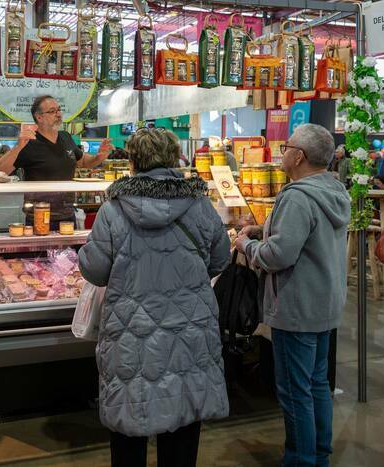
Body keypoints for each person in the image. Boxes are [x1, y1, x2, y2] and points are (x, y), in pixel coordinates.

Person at [78, 128, 231, 467]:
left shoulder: (113, 209)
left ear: (132, 161)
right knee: (183, 418)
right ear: (175, 157)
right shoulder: (200, 204)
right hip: (189, 329)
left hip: (132, 331)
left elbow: (95, 270)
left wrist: (84, 252)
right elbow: (222, 259)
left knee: (128, 422)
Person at [235, 124, 350, 467]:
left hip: (296, 306)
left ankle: (300, 459)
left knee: (295, 391)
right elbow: (307, 237)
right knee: (316, 385)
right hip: (324, 304)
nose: (282, 152)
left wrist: (246, 244)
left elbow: (279, 256)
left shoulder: (297, 196)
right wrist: (264, 229)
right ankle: (319, 455)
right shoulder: (333, 191)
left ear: (298, 156)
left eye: (286, 147)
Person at [0, 95, 113, 227]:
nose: (58, 114)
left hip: (67, 212)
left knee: (68, 249)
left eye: (59, 109)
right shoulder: (29, 142)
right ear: (39, 117)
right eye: (52, 111)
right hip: (39, 214)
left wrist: (100, 156)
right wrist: (18, 147)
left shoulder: (65, 137)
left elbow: (83, 162)